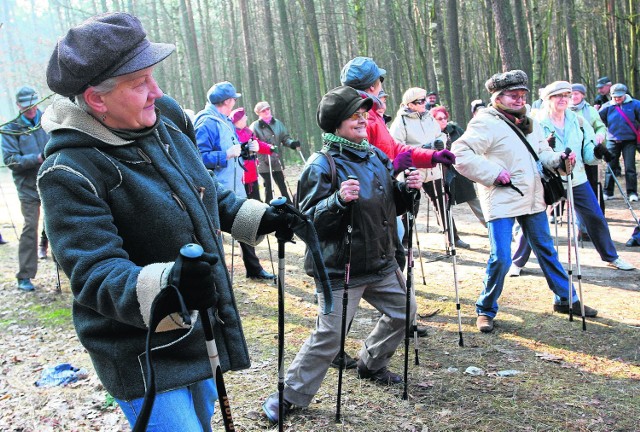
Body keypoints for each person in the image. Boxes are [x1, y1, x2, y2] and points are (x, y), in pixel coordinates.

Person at [37, 13, 293, 430]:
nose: (156, 91)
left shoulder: (166, 119)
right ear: (96, 99)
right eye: (139, 83)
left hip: (198, 330)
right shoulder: (68, 171)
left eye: (152, 76)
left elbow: (203, 190)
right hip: (139, 353)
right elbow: (95, 274)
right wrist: (171, 285)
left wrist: (260, 217)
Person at [261, 86, 423, 422]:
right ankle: (288, 395)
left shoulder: (376, 157)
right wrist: (336, 202)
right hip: (339, 269)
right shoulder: (322, 166)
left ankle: (371, 362)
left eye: (364, 114)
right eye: (354, 115)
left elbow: (391, 205)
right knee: (330, 336)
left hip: (380, 261)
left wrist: (407, 189)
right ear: (336, 124)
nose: (362, 119)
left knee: (405, 312)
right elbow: (305, 225)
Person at [451, 70, 597, 333]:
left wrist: (559, 161)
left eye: (522, 95)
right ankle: (485, 309)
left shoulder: (529, 121)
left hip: (532, 195)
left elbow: (542, 152)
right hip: (501, 197)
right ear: (498, 97)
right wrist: (493, 174)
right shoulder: (486, 122)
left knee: (546, 250)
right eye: (513, 95)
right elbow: (459, 153)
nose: (519, 99)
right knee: (502, 258)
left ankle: (567, 299)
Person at [510, 81, 634, 275]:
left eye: (566, 95)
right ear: (547, 99)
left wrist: (596, 153)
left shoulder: (577, 120)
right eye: (558, 96)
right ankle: (517, 262)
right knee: (533, 219)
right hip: (545, 179)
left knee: (595, 216)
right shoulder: (534, 122)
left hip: (575, 177)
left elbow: (587, 152)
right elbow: (528, 152)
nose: (563, 99)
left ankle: (611, 256)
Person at [194, 84, 276, 281]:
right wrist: (225, 154)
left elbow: (234, 149)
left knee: (245, 225)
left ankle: (254, 269)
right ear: (228, 101)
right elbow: (197, 158)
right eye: (233, 99)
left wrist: (247, 148)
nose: (234, 102)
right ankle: (216, 279)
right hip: (215, 192)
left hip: (235, 188)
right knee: (214, 238)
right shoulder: (206, 122)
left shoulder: (224, 121)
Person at [339, 56, 455, 176]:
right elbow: (359, 169)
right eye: (380, 79)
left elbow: (395, 149)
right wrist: (393, 168)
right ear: (372, 86)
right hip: (377, 192)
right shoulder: (361, 120)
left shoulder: (373, 115)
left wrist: (432, 156)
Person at [389, 87, 471, 249]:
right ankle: (406, 241)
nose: (423, 103)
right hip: (413, 169)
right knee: (410, 206)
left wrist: (438, 142)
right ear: (409, 104)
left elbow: (439, 133)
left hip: (433, 167)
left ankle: (452, 237)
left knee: (442, 202)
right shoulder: (401, 121)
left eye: (424, 100)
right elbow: (396, 146)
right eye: (419, 101)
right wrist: (422, 147)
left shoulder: (428, 117)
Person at [1, 86, 49, 291]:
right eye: (26, 106)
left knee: (60, 225)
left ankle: (66, 266)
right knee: (30, 228)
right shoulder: (11, 128)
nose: (31, 109)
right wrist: (37, 158)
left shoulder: (49, 119)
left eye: (34, 104)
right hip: (28, 187)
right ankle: (24, 276)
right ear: (18, 105)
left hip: (52, 181)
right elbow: (10, 160)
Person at [431, 105, 487, 229]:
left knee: (472, 199)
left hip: (460, 170)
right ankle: (450, 233)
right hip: (442, 173)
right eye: (439, 119)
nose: (444, 120)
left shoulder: (455, 130)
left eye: (445, 117)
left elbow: (468, 146)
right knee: (444, 204)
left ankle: (488, 225)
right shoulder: (431, 135)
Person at [250, 101, 300, 203]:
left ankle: (289, 206)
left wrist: (292, 143)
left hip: (276, 160)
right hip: (263, 161)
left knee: (282, 184)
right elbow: (253, 142)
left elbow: (285, 138)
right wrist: (266, 148)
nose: (267, 111)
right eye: (263, 110)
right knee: (268, 186)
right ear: (258, 113)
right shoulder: (255, 126)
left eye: (268, 109)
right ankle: (269, 209)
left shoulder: (278, 123)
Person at [599, 83, 640, 203]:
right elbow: (600, 121)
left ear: (625, 94)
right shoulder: (606, 107)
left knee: (630, 167)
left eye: (619, 97)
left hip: (629, 141)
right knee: (610, 167)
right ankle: (608, 192)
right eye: (614, 97)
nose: (617, 99)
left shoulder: (635, 104)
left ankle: (632, 192)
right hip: (612, 140)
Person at [570, 83, 608, 204]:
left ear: (582, 95)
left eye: (576, 94)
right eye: (571, 94)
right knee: (567, 181)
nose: (573, 96)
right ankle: (556, 213)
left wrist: (600, 135)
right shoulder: (563, 110)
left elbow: (600, 127)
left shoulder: (590, 110)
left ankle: (598, 211)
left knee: (592, 181)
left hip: (589, 151)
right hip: (571, 152)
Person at [229, 107, 273, 201]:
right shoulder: (231, 133)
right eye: (244, 117)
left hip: (252, 173)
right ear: (239, 120)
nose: (246, 118)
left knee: (256, 200)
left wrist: (269, 148)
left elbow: (257, 144)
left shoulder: (248, 131)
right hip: (240, 175)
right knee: (244, 201)